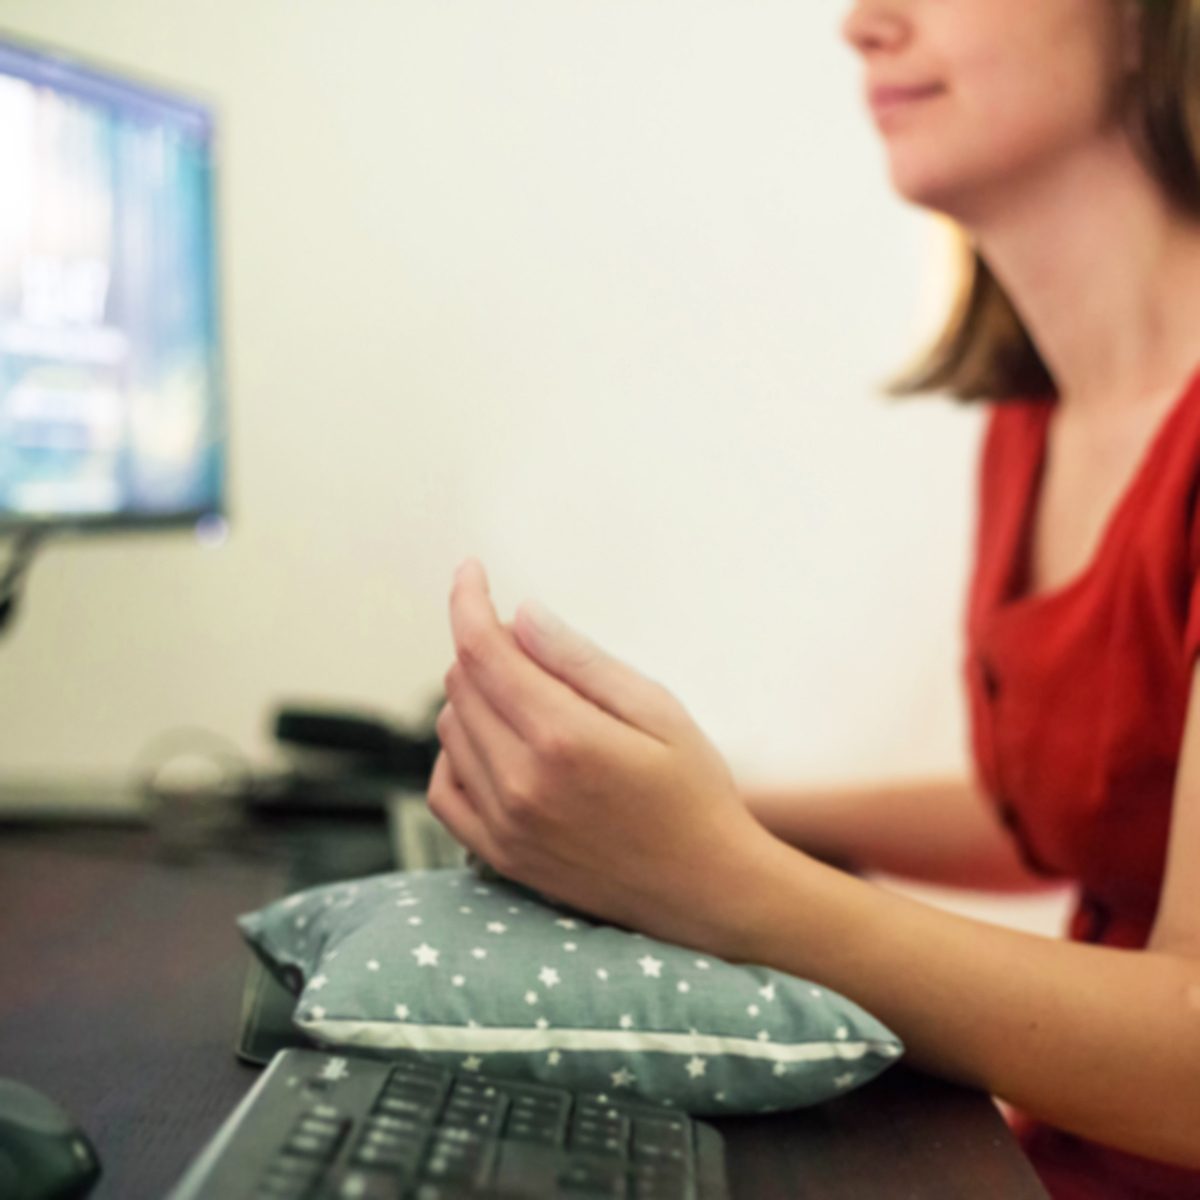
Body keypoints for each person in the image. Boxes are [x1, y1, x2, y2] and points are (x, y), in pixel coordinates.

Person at [427, 1, 1200, 1195]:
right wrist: (697, 809)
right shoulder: (1040, 422)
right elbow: (1077, 799)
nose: (865, 23)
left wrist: (715, 874)